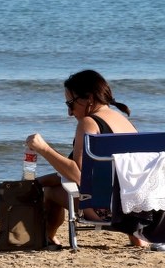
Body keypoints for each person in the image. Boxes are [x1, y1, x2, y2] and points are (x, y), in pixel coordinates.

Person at [24, 69, 142, 248]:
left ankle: (48, 238)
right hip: (136, 208)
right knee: (50, 185)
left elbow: (78, 175)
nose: (69, 113)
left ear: (89, 99)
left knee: (49, 194)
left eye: (70, 104)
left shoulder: (89, 123)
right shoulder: (125, 122)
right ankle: (137, 238)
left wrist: (44, 149)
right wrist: (38, 182)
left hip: (106, 211)